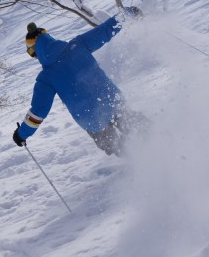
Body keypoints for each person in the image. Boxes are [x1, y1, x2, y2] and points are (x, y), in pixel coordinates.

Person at [12, 10, 144, 156]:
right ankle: (162, 142)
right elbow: (105, 31)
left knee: (117, 147)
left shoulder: (46, 77)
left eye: (33, 55)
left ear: (36, 52)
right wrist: (127, 14)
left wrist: (21, 134)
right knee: (137, 126)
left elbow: (38, 112)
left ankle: (139, 163)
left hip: (92, 121)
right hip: (113, 101)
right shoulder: (78, 45)